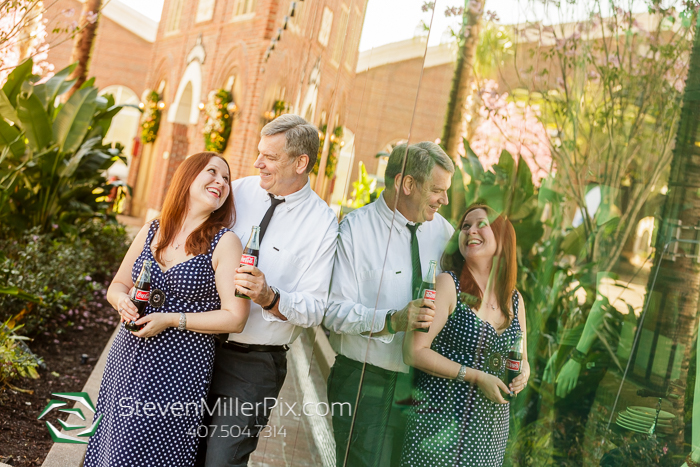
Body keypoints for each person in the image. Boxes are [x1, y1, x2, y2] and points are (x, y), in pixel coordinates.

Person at [84, 152, 251, 466]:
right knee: (113, 447)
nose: (221, 182)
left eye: (226, 178)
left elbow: (236, 317)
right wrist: (122, 301)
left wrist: (172, 319)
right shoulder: (152, 228)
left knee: (152, 453)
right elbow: (117, 285)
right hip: (127, 358)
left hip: (178, 369)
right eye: (212, 172)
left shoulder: (225, 242)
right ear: (187, 178)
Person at [198, 114, 338, 467]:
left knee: (221, 460)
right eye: (260, 153)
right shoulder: (238, 191)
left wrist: (269, 297)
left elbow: (315, 309)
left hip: (254, 364)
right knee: (182, 453)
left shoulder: (322, 224)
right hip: (200, 346)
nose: (258, 163)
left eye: (270, 157)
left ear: (300, 162)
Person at [324, 142, 455, 466]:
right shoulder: (356, 230)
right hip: (364, 384)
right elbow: (332, 313)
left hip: (422, 389)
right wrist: (391, 320)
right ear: (406, 184)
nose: (445, 200)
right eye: (437, 190)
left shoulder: (444, 233)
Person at [400, 204, 530, 467]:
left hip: (491, 434)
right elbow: (413, 351)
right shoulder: (448, 285)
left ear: (502, 238)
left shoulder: (515, 300)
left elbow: (522, 358)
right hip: (442, 428)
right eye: (465, 226)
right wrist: (476, 377)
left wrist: (524, 374)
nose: (470, 230)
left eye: (481, 224)